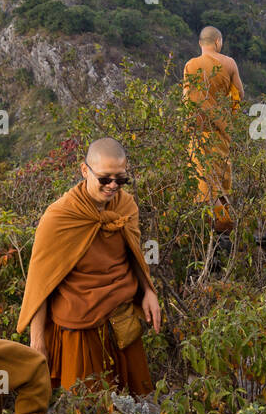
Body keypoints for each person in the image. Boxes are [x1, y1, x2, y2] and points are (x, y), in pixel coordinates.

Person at [15, 137, 161, 396]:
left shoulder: (125, 205)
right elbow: (40, 283)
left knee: (141, 400)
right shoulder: (59, 218)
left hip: (122, 320)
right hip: (79, 329)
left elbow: (135, 255)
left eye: (121, 179)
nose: (113, 186)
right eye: (105, 179)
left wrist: (149, 291)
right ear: (85, 171)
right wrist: (37, 342)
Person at [183, 26, 244, 252]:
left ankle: (221, 227)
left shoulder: (191, 65)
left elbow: (187, 99)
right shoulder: (229, 64)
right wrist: (227, 115)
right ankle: (226, 226)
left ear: (201, 44)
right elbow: (239, 95)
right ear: (218, 41)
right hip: (221, 133)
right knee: (218, 185)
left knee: (204, 186)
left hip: (198, 134)